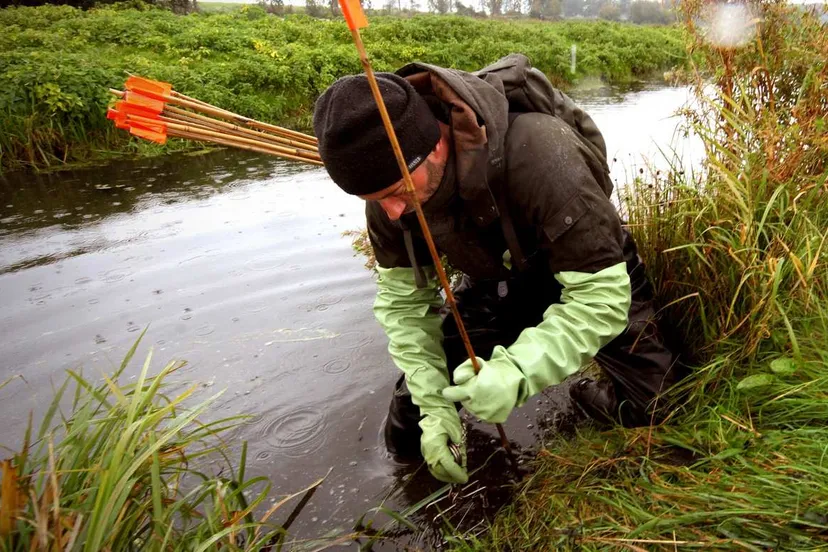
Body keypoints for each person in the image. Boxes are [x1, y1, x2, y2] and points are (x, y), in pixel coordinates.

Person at [312, 54, 683, 484]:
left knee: (658, 409)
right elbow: (406, 309)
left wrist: (517, 372)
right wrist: (434, 407)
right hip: (497, 282)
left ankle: (588, 391)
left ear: (434, 144)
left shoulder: (541, 151)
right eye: (377, 200)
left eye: (396, 193)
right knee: (407, 430)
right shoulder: (389, 202)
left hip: (588, 270)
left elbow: (601, 299)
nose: (392, 213)